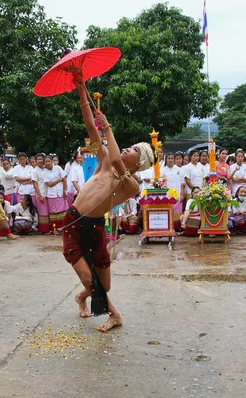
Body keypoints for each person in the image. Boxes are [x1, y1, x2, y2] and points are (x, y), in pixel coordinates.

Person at [62, 72, 155, 332]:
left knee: (104, 283)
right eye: (128, 147)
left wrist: (109, 128)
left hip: (96, 227)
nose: (126, 150)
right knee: (88, 277)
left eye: (133, 151)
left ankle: (82, 297)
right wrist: (81, 90)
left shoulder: (131, 184)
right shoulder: (103, 160)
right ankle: (115, 314)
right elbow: (91, 128)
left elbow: (117, 161)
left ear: (139, 164)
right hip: (74, 219)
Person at [44, 155, 67, 234]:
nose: (47, 163)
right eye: (45, 162)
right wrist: (58, 180)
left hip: (60, 193)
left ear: (52, 161)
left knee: (62, 211)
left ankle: (61, 227)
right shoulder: (45, 172)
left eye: (48, 161)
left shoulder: (58, 168)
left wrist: (64, 191)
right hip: (51, 195)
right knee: (53, 212)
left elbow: (64, 179)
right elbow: (49, 184)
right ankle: (54, 228)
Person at [161, 152, 184, 229]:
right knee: (167, 211)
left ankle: (177, 227)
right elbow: (160, 183)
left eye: (172, 158)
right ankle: (167, 227)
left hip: (177, 194)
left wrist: (182, 194)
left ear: (174, 160)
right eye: (169, 158)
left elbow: (182, 183)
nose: (170, 160)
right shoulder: (162, 170)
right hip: (166, 195)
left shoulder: (179, 170)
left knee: (177, 213)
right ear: (166, 160)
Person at [31, 153, 50, 233]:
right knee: (43, 212)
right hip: (40, 193)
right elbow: (35, 184)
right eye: (38, 159)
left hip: (48, 193)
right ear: (36, 161)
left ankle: (50, 228)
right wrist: (40, 195)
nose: (39, 161)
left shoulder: (46, 169)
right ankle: (43, 230)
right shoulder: (35, 171)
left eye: (41, 159)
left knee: (49, 211)